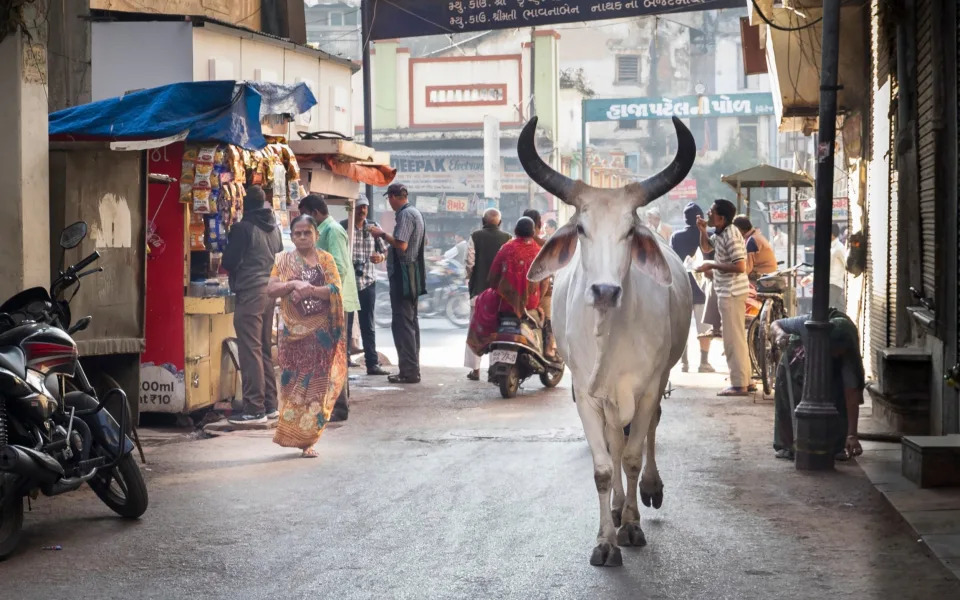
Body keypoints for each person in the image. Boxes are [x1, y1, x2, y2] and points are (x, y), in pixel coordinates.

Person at [266, 215, 347, 458]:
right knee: (291, 386)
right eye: (298, 233)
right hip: (292, 336)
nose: (302, 237)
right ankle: (290, 433)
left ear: (316, 235)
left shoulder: (326, 260)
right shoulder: (283, 261)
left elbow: (335, 290)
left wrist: (310, 289)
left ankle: (308, 440)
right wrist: (292, 285)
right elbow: (271, 289)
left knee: (316, 388)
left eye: (307, 232)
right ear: (292, 236)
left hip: (320, 336)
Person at [222, 185, 284, 425]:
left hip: (250, 293)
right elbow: (278, 256)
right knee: (264, 349)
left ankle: (254, 409)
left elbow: (229, 261)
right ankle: (270, 405)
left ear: (245, 204)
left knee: (250, 350)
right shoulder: (275, 229)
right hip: (270, 292)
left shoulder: (242, 229)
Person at [769, 308, 865, 461]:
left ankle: (835, 444)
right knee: (789, 400)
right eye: (833, 350)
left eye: (838, 351)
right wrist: (780, 334)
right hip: (795, 361)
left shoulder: (848, 348)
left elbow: (851, 392)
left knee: (836, 397)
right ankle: (787, 446)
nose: (836, 353)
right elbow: (776, 324)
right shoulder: (806, 323)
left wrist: (851, 434)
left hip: (824, 366)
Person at [299, 194, 358, 421]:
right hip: (330, 299)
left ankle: (338, 407)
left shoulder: (332, 230)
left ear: (314, 213)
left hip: (334, 301)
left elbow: (339, 268)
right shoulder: (325, 230)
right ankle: (336, 403)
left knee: (333, 355)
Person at [467, 217, 548, 356]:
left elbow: (493, 277)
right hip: (531, 304)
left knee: (482, 301)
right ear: (533, 232)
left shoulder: (506, 248)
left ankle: (480, 347)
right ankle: (548, 351)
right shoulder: (539, 251)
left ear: (516, 231)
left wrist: (505, 290)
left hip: (505, 302)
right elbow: (545, 282)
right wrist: (538, 301)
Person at [370, 183, 426, 384]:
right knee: (410, 323)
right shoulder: (416, 213)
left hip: (403, 274)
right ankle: (411, 369)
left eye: (389, 198)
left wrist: (381, 234)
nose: (389, 203)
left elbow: (401, 244)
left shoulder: (405, 214)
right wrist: (385, 255)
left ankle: (409, 372)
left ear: (393, 196)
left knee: (403, 324)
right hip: (411, 273)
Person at [696, 199, 752, 397]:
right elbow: (706, 249)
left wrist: (711, 266)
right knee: (737, 337)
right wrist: (703, 230)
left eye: (711, 212)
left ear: (721, 218)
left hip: (732, 292)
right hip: (727, 290)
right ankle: (746, 380)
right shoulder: (720, 233)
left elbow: (740, 266)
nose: (708, 214)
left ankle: (738, 384)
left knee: (731, 339)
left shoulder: (730, 235)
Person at [339, 194, 390, 376]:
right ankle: (343, 361)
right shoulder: (343, 227)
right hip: (347, 282)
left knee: (368, 324)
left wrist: (380, 257)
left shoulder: (373, 228)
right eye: (359, 207)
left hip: (367, 281)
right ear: (352, 208)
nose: (362, 210)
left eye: (365, 207)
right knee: (345, 323)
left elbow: (386, 250)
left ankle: (372, 364)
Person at [464, 208, 512, 381]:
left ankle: (475, 370)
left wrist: (471, 277)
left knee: (476, 330)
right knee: (498, 331)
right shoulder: (507, 238)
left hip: (478, 291)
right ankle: (495, 368)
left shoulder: (475, 236)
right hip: (500, 295)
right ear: (499, 222)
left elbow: (469, 262)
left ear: (482, 221)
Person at [669, 202, 715, 373]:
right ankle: (704, 362)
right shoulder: (708, 235)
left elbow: (673, 260)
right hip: (703, 288)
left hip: (682, 287)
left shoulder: (676, 237)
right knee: (704, 327)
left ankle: (684, 362)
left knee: (683, 327)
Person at [733, 215, 778, 279]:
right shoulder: (756, 236)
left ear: (739, 229)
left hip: (764, 276)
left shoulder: (751, 241)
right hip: (768, 273)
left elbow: (746, 269)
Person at [830, 223, 847, 309]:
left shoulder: (839, 248)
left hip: (834, 283)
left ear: (832, 234)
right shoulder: (831, 247)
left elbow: (846, 264)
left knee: (825, 309)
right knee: (840, 309)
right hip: (831, 283)